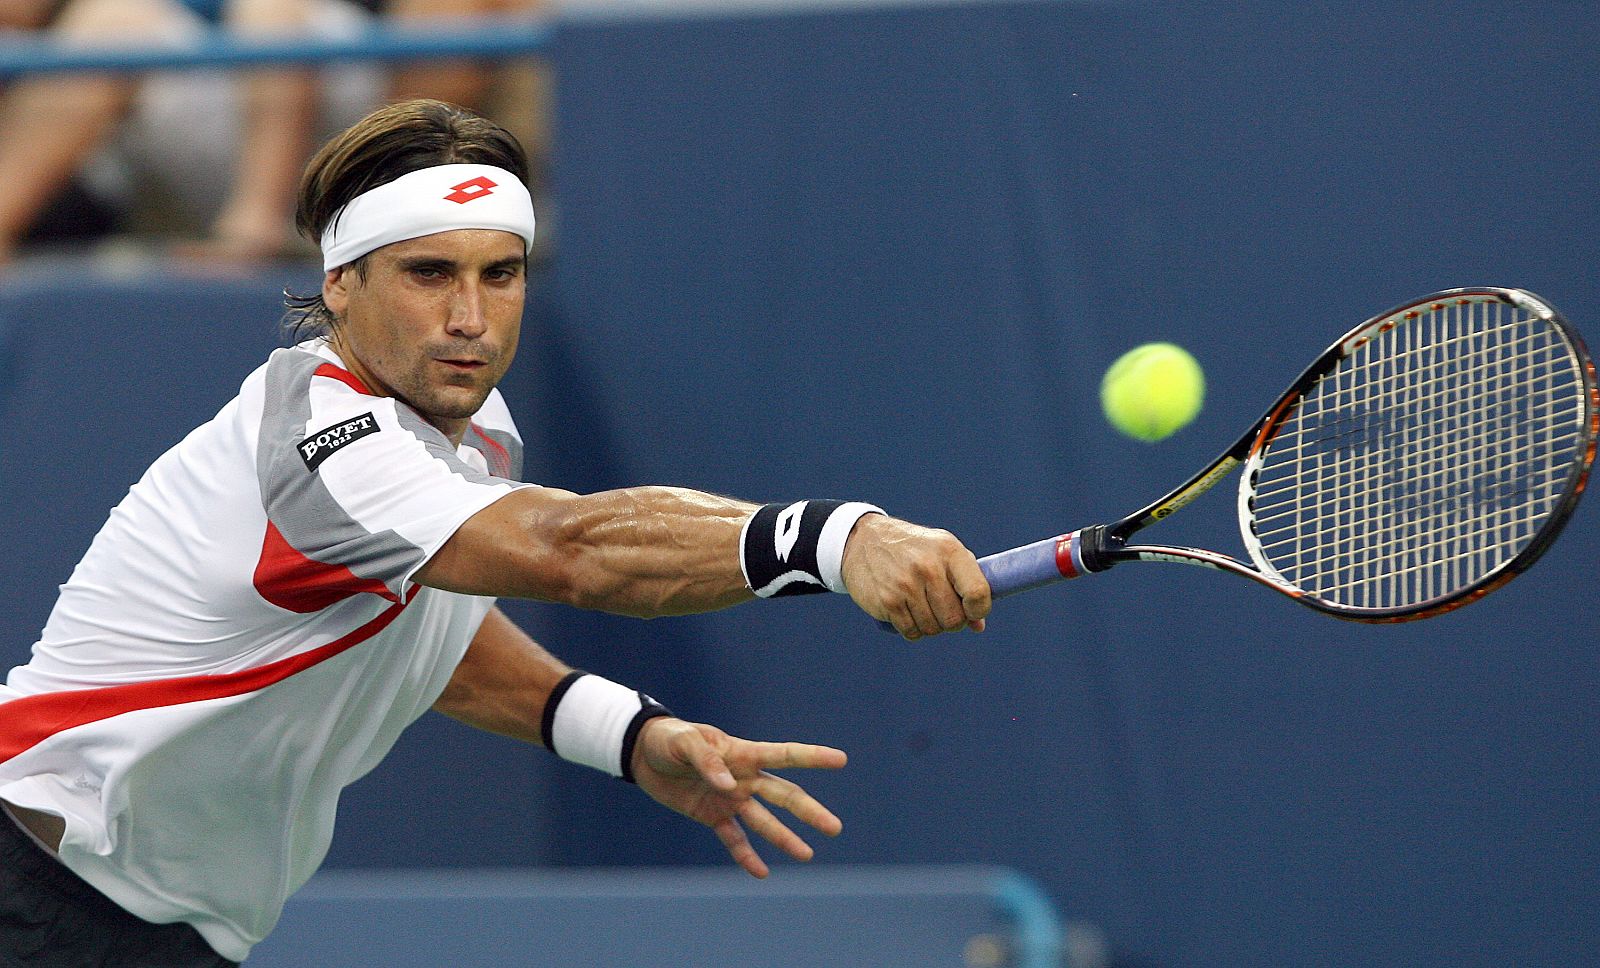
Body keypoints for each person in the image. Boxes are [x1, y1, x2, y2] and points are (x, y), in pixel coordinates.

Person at [0, 99, 991, 966]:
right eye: (429, 272)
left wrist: (627, 733)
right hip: (35, 885)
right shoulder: (324, 438)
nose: (471, 317)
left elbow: (433, 635)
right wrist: (835, 537)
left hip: (161, 928)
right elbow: (575, 551)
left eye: (501, 273)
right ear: (341, 281)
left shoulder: (475, 432)